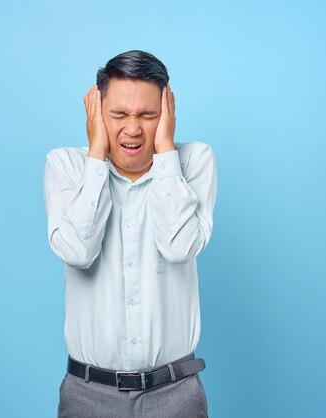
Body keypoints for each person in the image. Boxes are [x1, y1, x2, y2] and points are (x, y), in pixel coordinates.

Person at [43, 50, 217, 418]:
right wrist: (96, 155)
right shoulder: (66, 166)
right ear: (96, 112)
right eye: (119, 114)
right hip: (88, 396)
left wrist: (166, 150)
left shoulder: (193, 161)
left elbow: (179, 246)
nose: (133, 128)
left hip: (176, 395)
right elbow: (77, 250)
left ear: (167, 113)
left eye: (148, 115)